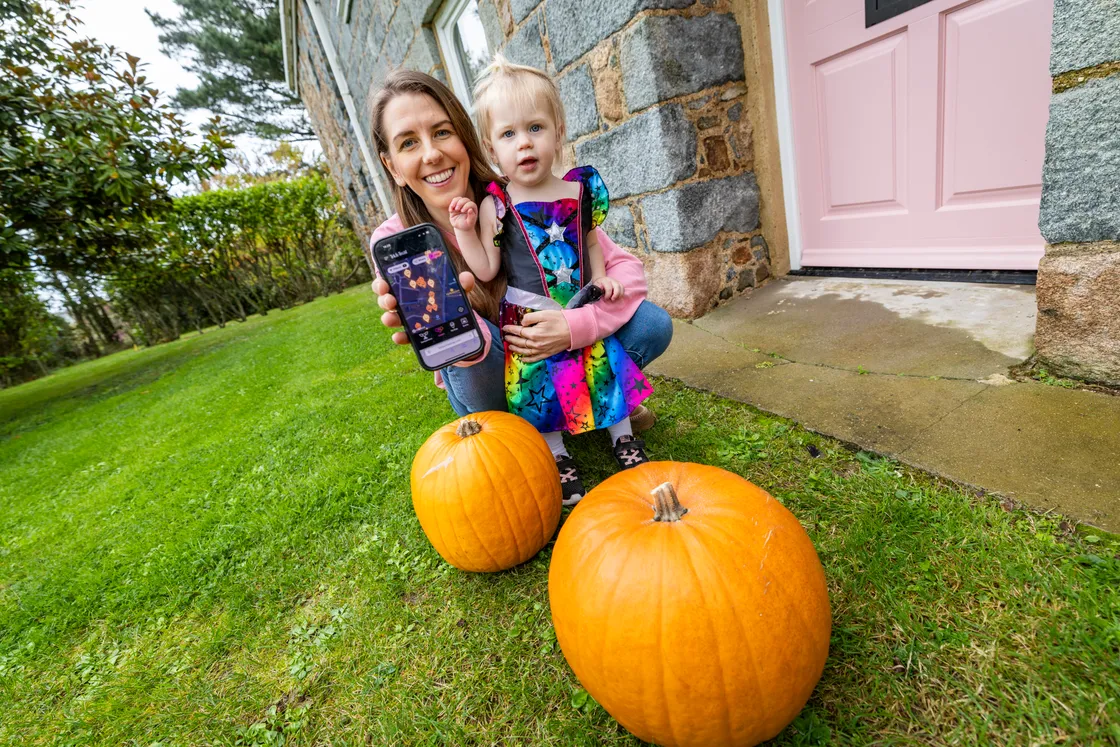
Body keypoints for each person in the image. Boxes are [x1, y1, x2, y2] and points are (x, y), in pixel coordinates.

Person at [367, 69, 673, 503]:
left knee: (651, 323)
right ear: (391, 165)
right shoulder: (396, 242)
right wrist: (440, 321)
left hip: (563, 343)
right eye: (409, 142)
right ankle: (536, 433)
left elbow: (624, 268)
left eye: (441, 132)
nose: (432, 154)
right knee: (469, 341)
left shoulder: (522, 193)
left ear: (468, 139)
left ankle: (590, 405)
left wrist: (574, 325)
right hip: (492, 372)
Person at [447, 56, 652, 505]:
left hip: (579, 303)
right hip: (529, 312)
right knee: (539, 383)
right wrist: (465, 231)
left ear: (558, 131)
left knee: (602, 368)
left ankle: (623, 436)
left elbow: (592, 244)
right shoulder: (496, 204)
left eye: (535, 128)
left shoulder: (579, 190)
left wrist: (603, 281)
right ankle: (557, 455)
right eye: (508, 134)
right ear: (491, 147)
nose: (525, 143)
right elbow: (486, 269)